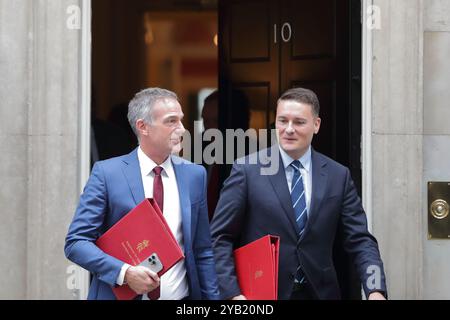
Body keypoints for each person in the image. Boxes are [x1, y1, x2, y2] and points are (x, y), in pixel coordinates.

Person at [210, 87, 387, 300]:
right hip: (260, 295)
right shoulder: (247, 170)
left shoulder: (338, 175)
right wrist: (233, 294)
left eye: (299, 122)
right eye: (282, 121)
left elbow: (361, 240)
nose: (289, 129)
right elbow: (219, 237)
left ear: (316, 125)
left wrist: (375, 290)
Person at [65, 88, 220, 300]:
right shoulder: (107, 174)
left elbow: (203, 251)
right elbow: (76, 242)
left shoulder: (194, 175)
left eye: (181, 121)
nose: (182, 129)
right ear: (143, 126)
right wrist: (124, 273)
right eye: (171, 121)